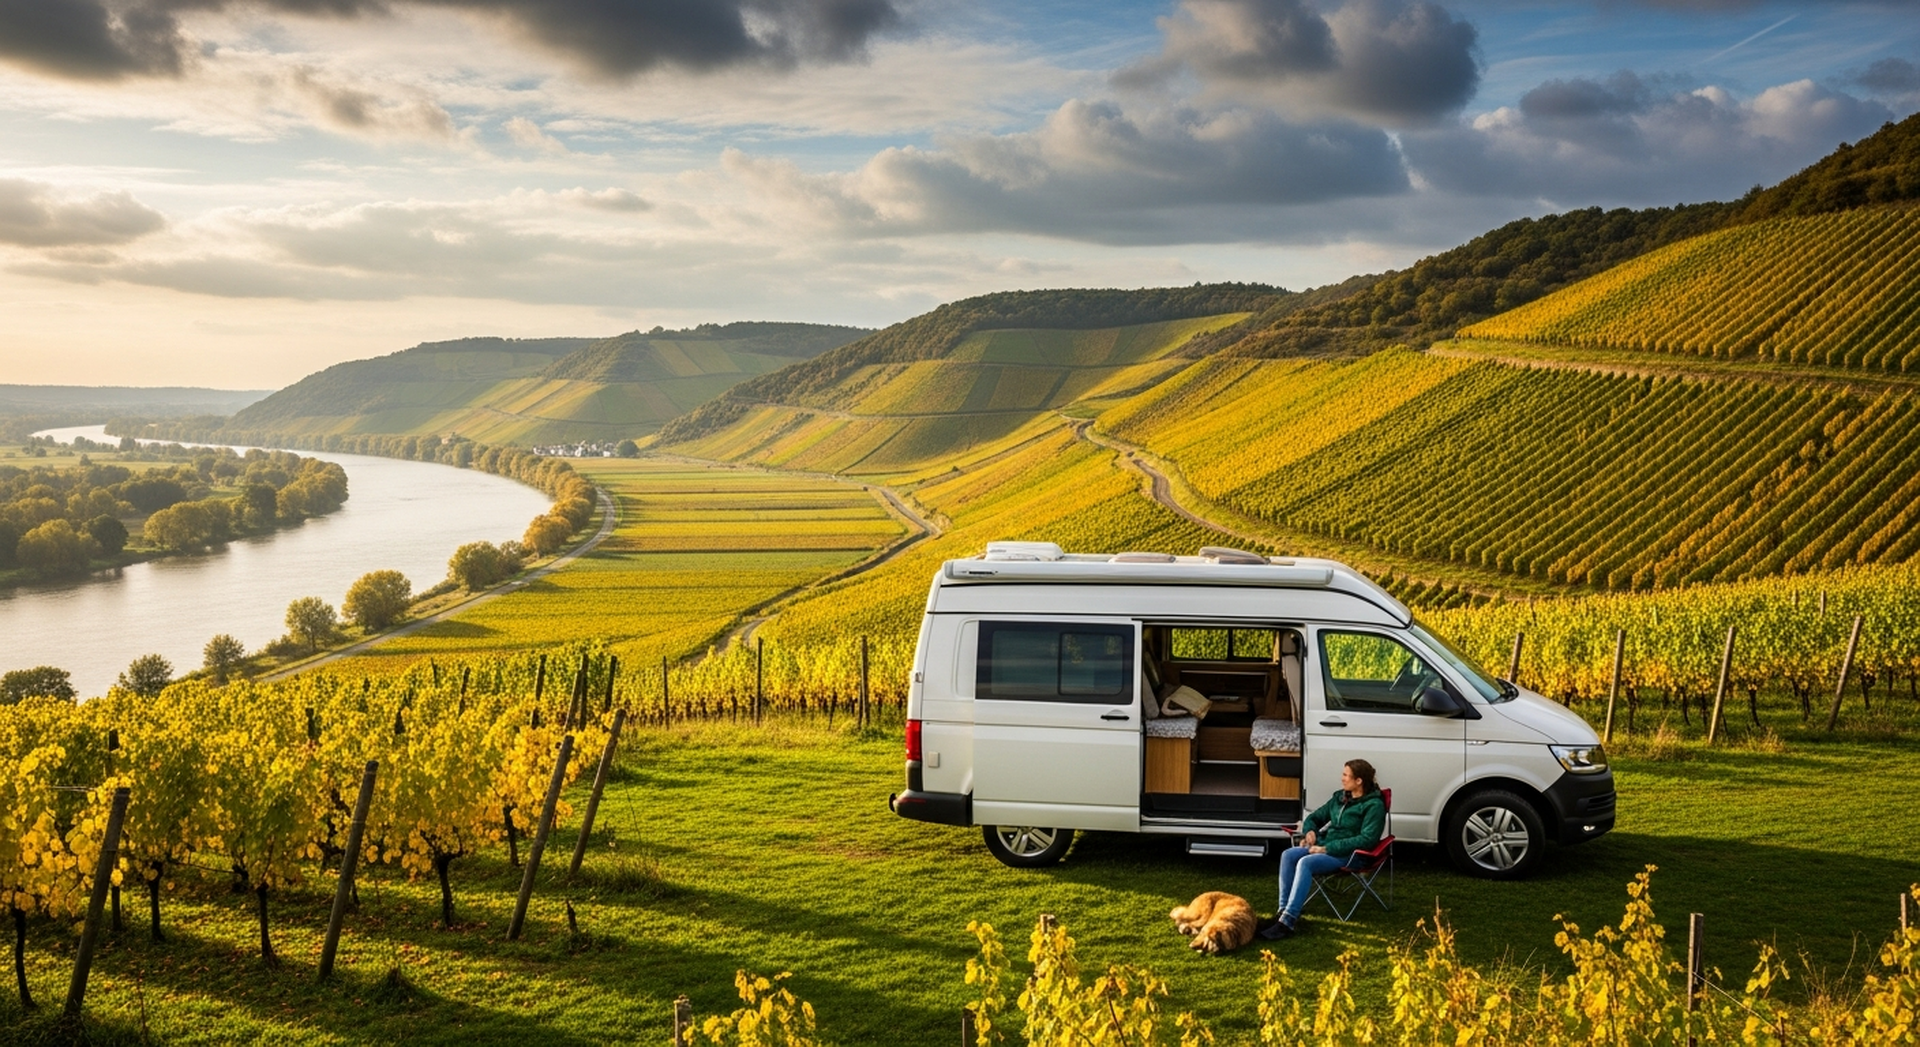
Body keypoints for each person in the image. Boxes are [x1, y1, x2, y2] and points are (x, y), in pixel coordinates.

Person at [1259, 758, 1386, 939]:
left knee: (1305, 863)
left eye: (1346, 775)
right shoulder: (1340, 798)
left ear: (1359, 781)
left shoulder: (1374, 806)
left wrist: (1326, 848)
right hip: (1326, 847)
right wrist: (1310, 831)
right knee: (1288, 855)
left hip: (1351, 855)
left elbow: (1367, 839)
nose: (1342, 779)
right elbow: (1316, 817)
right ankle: (1282, 912)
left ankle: (1288, 922)